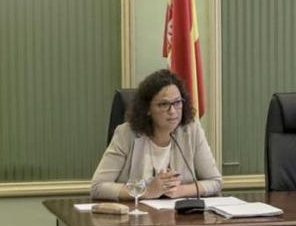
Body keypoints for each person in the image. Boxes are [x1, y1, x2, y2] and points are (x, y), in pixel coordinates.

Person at [91, 69, 222, 200]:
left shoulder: (191, 131)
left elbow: (215, 181)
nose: (173, 111)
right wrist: (146, 192)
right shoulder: (126, 134)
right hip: (136, 217)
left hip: (180, 217)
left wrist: (180, 190)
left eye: (177, 103)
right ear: (147, 108)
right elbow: (98, 187)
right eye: (164, 104)